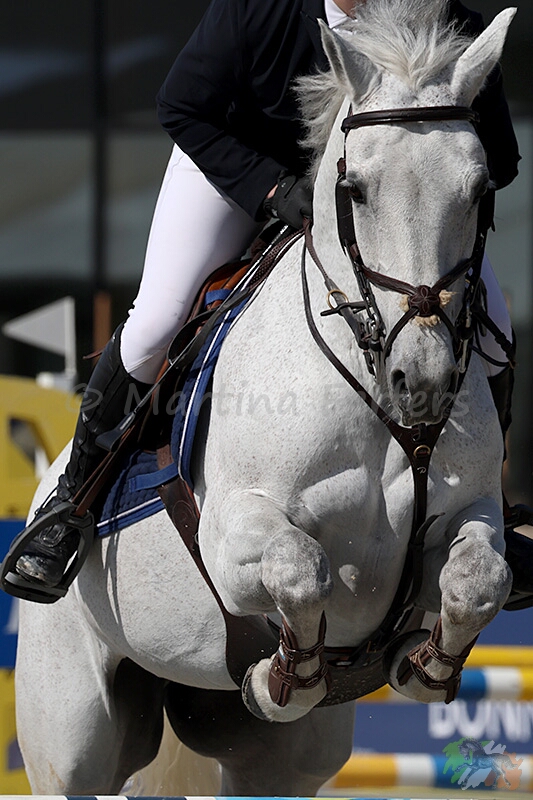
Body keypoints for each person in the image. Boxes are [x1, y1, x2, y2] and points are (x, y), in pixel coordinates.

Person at [7, 0, 523, 597]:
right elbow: (180, 106)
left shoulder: (446, 19)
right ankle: (72, 503)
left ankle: (494, 504)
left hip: (376, 196)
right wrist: (273, 189)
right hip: (237, 164)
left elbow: (501, 159)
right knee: (157, 323)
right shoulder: (260, 9)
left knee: (496, 331)